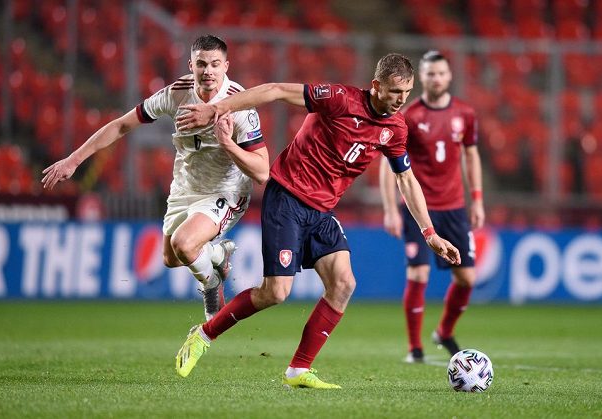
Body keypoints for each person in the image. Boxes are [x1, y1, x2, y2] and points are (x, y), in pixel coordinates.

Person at [172, 52, 461, 389]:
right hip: (288, 198)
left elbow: (406, 180)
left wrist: (429, 233)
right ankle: (204, 335)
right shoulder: (339, 100)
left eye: (406, 92)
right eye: (395, 91)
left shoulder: (396, 129)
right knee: (275, 293)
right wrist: (218, 108)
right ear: (375, 86)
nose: (401, 100)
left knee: (343, 284)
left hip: (322, 211)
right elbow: (278, 89)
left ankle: (298, 370)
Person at [41, 35, 269, 320]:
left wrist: (228, 144)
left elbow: (262, 171)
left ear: (226, 66)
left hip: (226, 190)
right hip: (186, 186)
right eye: (201, 64)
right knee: (171, 259)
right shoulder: (176, 93)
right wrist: (74, 160)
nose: (207, 71)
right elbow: (122, 125)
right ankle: (217, 256)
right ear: (191, 65)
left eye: (214, 64)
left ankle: (211, 284)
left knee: (185, 244)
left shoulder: (240, 105)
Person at [379, 51, 484, 363]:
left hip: (454, 207)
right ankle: (415, 348)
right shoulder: (408, 116)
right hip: (418, 208)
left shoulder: (465, 113)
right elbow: (389, 163)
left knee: (467, 279)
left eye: (441, 73)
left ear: (448, 76)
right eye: (430, 74)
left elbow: (471, 156)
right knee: (419, 273)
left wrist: (477, 199)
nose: (436, 78)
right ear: (421, 78)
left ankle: (444, 331)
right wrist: (390, 208)